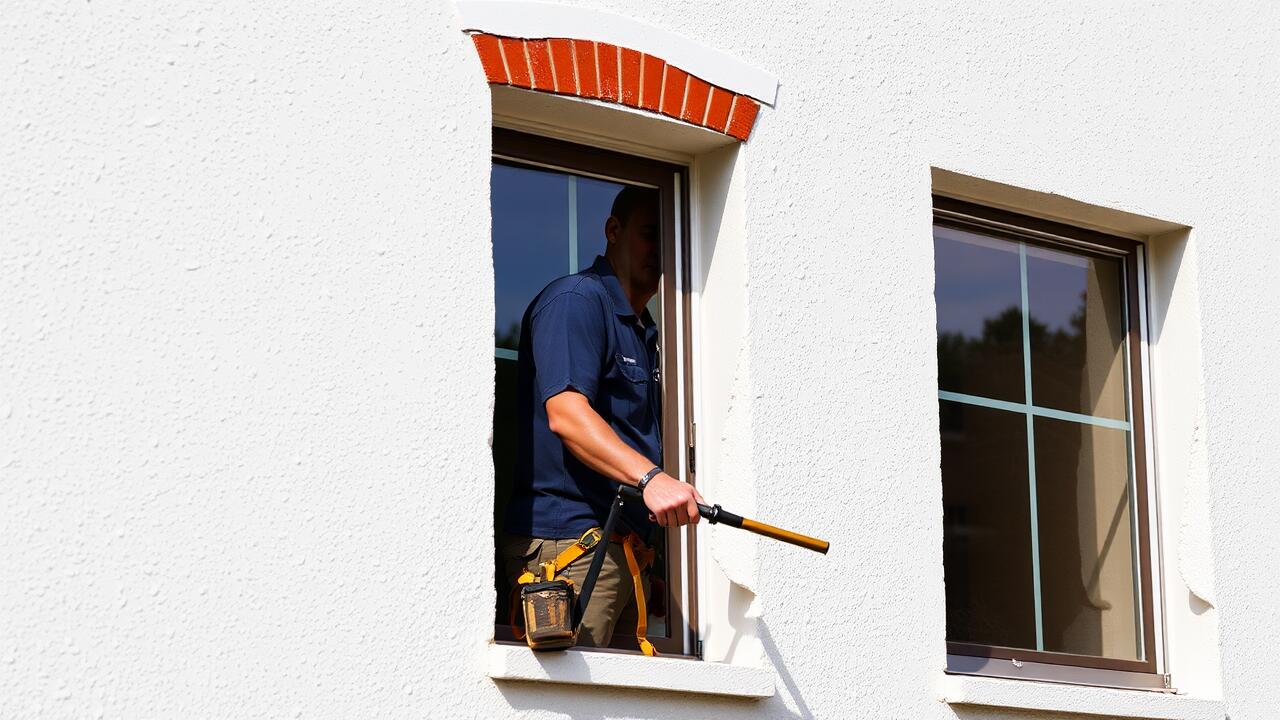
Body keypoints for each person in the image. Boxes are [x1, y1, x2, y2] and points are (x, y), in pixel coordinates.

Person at [502, 185, 704, 648]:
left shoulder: (646, 330)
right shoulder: (577, 301)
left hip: (619, 554)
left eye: (668, 240)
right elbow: (567, 415)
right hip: (570, 548)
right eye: (651, 235)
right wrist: (653, 480)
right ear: (613, 231)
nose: (661, 252)